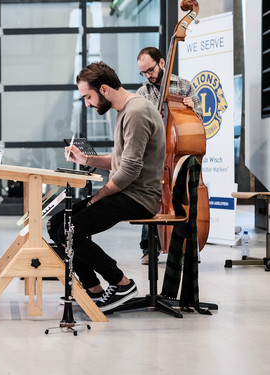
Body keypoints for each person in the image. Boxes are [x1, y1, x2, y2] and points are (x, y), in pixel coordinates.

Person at [48, 61, 165, 312]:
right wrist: (86, 159)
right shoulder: (125, 111)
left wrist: (95, 198)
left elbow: (129, 171)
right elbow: (122, 160)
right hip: (128, 192)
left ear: (103, 89)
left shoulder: (135, 112)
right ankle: (94, 290)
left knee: (70, 229)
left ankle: (122, 284)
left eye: (88, 97)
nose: (88, 103)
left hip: (139, 198)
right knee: (56, 224)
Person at [135, 46, 204, 264]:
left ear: (162, 63)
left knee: (184, 196)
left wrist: (193, 109)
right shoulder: (142, 93)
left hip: (180, 153)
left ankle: (187, 246)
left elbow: (199, 120)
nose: (148, 76)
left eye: (150, 70)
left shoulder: (184, 86)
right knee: (152, 197)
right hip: (156, 155)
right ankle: (150, 247)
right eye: (143, 72)